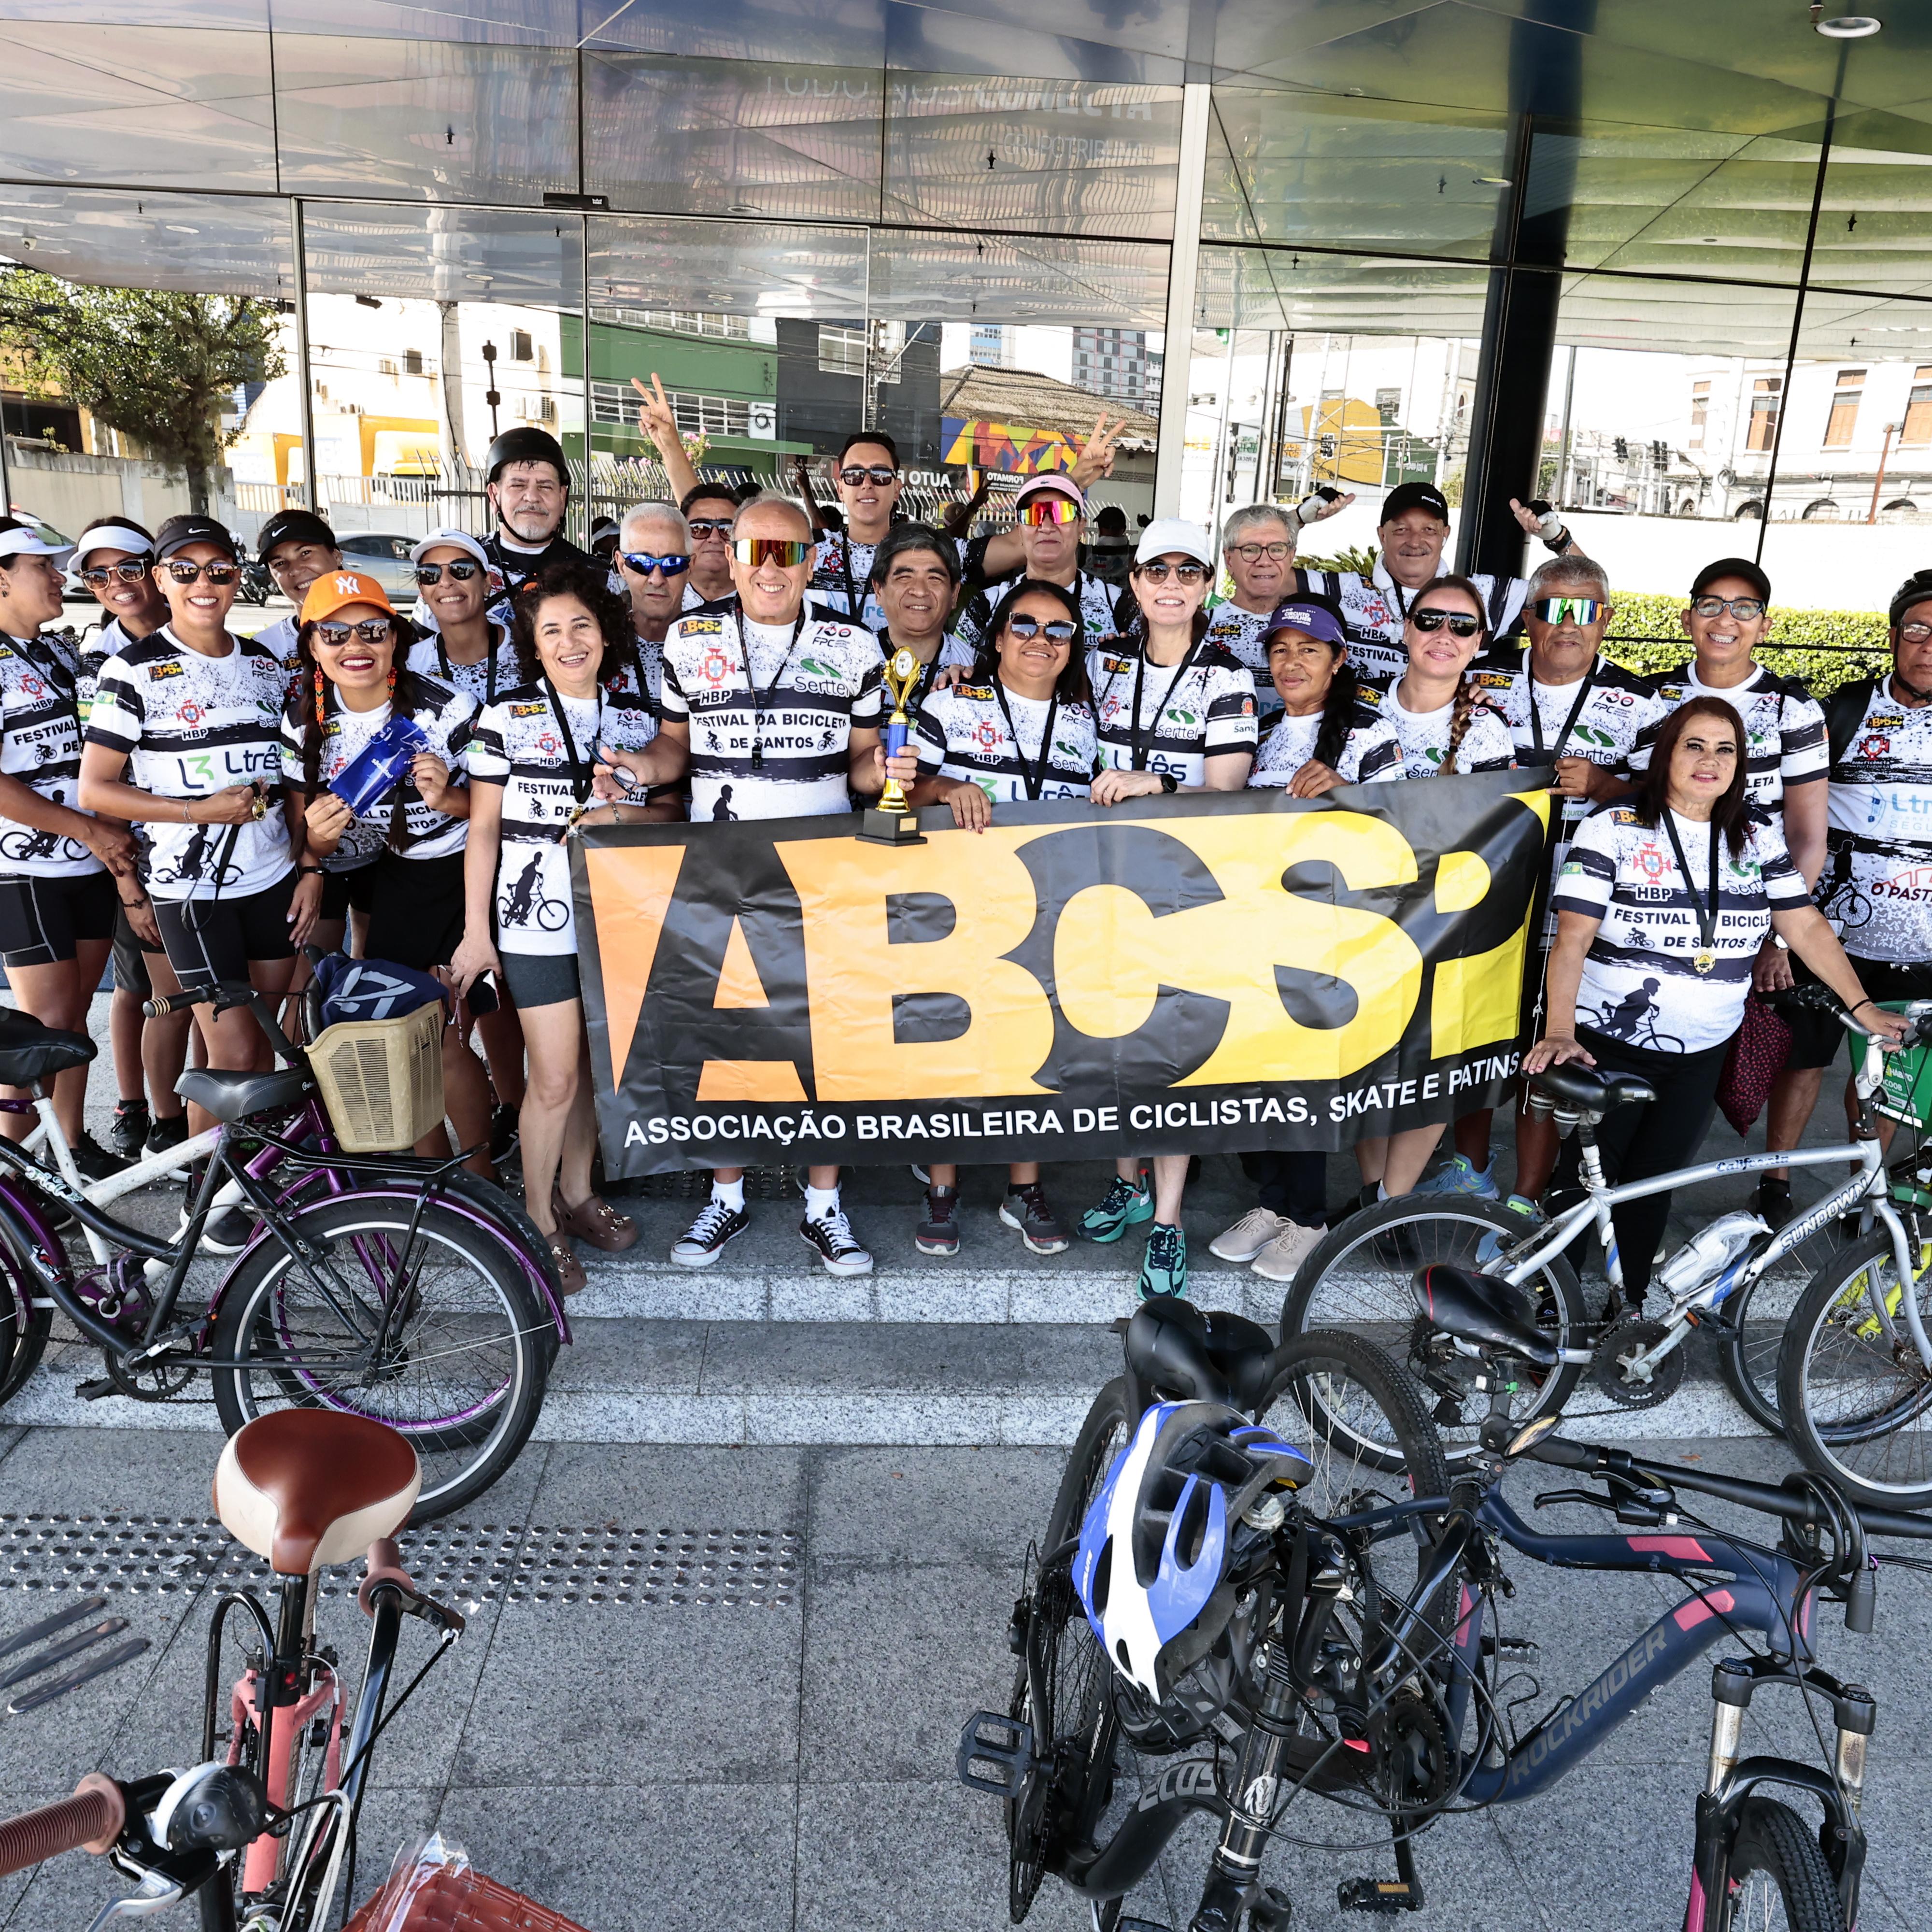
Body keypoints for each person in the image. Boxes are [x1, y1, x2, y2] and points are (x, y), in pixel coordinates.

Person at [1528, 696, 1904, 1310]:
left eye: (1725, 749)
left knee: (1656, 1181)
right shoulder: (1612, 826)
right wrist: (1561, 1030)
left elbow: (1805, 926)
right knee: (1581, 1181)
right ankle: (1550, 1303)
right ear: (1666, 754)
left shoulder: (1754, 835)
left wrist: (1861, 1008)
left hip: (1702, 1049)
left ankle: (1629, 1303)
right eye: (1694, 745)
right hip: (1609, 1044)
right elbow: (1572, 937)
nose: (1710, 760)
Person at [602, 495, 895, 1277]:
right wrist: (636, 770)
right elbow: (673, 750)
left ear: (814, 561)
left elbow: (864, 766)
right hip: (719, 870)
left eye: (789, 552)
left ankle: (824, 1209)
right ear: (729, 557)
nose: (772, 568)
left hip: (821, 877)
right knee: (727, 1049)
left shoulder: (855, 644)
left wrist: (892, 773)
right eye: (756, 551)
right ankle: (725, 1199)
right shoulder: (692, 639)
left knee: (825, 1050)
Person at [79, 514, 301, 1247]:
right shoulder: (132, 668)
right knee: (231, 1049)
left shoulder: (267, 666)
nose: (205, 584)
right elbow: (96, 791)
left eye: (220, 570)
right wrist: (195, 809)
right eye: (186, 570)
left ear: (239, 577)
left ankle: (237, 1174)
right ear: (161, 579)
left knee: (261, 1047)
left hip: (268, 874)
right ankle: (203, 1201)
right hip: (191, 887)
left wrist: (309, 866)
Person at [451, 563, 663, 1293]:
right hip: (531, 922)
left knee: (598, 1077)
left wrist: (622, 813)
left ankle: (578, 1195)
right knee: (553, 1079)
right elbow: (482, 832)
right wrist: (477, 934)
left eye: (582, 626)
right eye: (552, 632)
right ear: (533, 649)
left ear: (606, 634)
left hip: (617, 921)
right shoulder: (505, 717)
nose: (570, 641)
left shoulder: (636, 721)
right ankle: (536, 1218)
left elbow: (670, 818)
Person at [1423, 554, 1656, 1212]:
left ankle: (1527, 1195)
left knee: (1545, 1045)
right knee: (1474, 1035)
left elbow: (1667, 798)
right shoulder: (1481, 674)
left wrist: (1609, 787)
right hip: (1484, 893)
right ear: (1529, 616)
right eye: (1553, 607)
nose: (1569, 624)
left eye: (1586, 610)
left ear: (1606, 620)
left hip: (1578, 907)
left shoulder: (1639, 699)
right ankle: (1468, 1168)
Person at [1078, 518, 1259, 1299]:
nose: (1173, 584)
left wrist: (1159, 784)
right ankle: (1130, 1181)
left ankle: (1170, 1218)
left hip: (1187, 891)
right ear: (1135, 582)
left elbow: (1231, 793)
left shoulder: (1227, 675)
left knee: (1172, 1057)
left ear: (1207, 585)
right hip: (1099, 882)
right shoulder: (1101, 663)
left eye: (1189, 571)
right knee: (1111, 1043)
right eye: (1158, 571)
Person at [897, 577, 1097, 1257]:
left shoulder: (1086, 720)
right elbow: (899, 787)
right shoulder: (953, 701)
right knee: (951, 1046)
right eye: (1024, 625)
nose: (1041, 640)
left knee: (1035, 1050)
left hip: (1050, 908)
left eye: (1058, 629)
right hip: (958, 907)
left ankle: (1024, 1188)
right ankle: (942, 1188)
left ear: (1074, 645)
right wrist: (949, 786)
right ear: (998, 636)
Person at [1208, 594, 1402, 1284]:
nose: (1292, 662)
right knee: (1261, 1075)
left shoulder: (1369, 733)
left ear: (1340, 659)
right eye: (1281, 649)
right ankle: (1276, 1206)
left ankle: (1312, 1220)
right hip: (1254, 932)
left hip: (1330, 941)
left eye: (1310, 649)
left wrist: (1348, 789)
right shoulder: (1255, 727)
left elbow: (1407, 835)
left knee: (1306, 1082)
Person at [1629, 561, 1830, 1224]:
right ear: (1688, 619)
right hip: (1657, 922)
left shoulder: (1792, 709)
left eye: (1745, 609)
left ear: (1765, 626)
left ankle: (1768, 1184)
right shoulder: (1650, 698)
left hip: (1751, 926)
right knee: (1646, 1067)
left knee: (1763, 1055)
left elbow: (1806, 835)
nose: (1726, 620)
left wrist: (1777, 937)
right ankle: (1619, 1216)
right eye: (1712, 605)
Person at [280, 570, 492, 1177]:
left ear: (395, 639)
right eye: (336, 633)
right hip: (397, 878)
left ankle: (484, 1183)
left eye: (372, 630)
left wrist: (449, 798)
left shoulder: (450, 709)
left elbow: (503, 813)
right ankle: (431, 1180)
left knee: (444, 1037)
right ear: (313, 646)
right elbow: (305, 839)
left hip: (458, 875)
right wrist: (316, 847)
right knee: (405, 1038)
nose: (356, 646)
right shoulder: (302, 725)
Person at [1765, 571, 1932, 1210]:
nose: (1929, 645)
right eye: (1917, 630)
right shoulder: (1846, 710)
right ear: (1894, 637)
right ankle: (1775, 1181)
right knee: (1803, 1059)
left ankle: (1862, 1189)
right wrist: (1779, 933)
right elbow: (1791, 813)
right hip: (1831, 928)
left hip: (1921, 942)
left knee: (1892, 1071)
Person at [1349, 575, 1518, 1203]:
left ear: (1478, 644)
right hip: (1361, 923)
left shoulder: (1489, 732)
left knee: (1434, 1076)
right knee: (1368, 1066)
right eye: (1430, 621)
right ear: (1405, 627)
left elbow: (1491, 840)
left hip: (1448, 927)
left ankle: (1392, 1201)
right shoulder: (1360, 710)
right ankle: (1372, 1193)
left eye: (1462, 626)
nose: (1444, 635)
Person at [0, 519, 143, 1175]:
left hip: (88, 862)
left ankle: (71, 1151)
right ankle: (14, 1177)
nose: (60, 578)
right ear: (2, 576)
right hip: (23, 868)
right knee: (43, 1026)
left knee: (71, 1023)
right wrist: (87, 828)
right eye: (43, 568)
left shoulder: (61, 652)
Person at [70, 515, 192, 1165]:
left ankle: (171, 1114)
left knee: (181, 994)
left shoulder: (200, 636)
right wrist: (125, 876)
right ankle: (144, 1109)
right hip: (130, 853)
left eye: (128, 567)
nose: (115, 582)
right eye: (99, 573)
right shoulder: (98, 660)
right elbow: (97, 779)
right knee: (142, 990)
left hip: (197, 852)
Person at [1300, 481, 1576, 682]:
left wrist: (1559, 539)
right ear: (1382, 535)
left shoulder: (1484, 594)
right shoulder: (1340, 590)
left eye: (1429, 530)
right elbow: (1261, 579)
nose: (1415, 541)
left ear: (1445, 534)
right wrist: (1296, 520)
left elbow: (1587, 594)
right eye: (1401, 529)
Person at [958, 473, 1127, 650]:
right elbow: (955, 665)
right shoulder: (985, 605)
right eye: (1033, 515)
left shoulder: (1119, 605)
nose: (1046, 527)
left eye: (1062, 513)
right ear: (1020, 531)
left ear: (1080, 527)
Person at [628, 374, 739, 610]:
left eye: (728, 530)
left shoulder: (763, 601)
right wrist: (669, 445)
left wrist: (671, 446)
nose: (715, 538)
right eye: (699, 529)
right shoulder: (653, 594)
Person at [1201, 505, 1313, 712]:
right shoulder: (1199, 628)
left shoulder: (1315, 627)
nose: (1264, 561)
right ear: (1229, 560)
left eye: (1277, 549)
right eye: (1250, 550)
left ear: (1291, 556)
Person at [868, 523, 974, 712]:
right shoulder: (849, 661)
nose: (920, 591)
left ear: (955, 594)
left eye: (935, 579)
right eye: (904, 577)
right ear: (878, 591)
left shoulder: (974, 670)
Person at [612, 500, 693, 711]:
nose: (656, 579)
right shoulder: (599, 646)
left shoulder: (711, 647)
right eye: (642, 562)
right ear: (622, 565)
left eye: (672, 563)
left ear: (690, 568)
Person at [252, 509, 344, 664]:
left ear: (336, 556)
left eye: (305, 553)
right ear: (273, 578)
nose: (295, 570)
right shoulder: (265, 650)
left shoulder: (383, 631)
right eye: (280, 564)